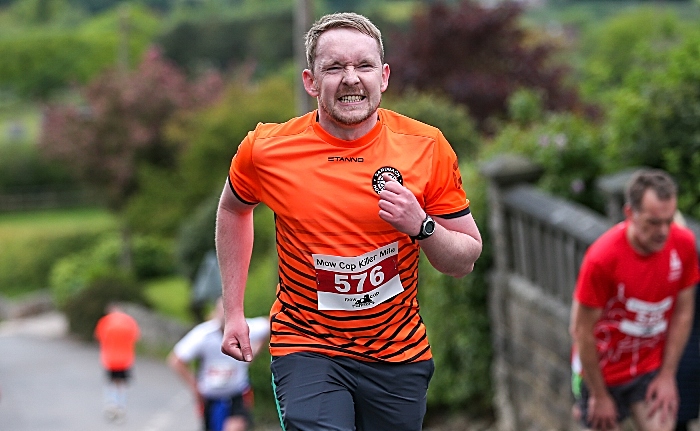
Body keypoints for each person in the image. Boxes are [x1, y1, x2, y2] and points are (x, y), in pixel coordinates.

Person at [215, 11, 483, 431]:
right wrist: (233, 310)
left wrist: (421, 225)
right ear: (310, 81)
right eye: (334, 67)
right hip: (306, 346)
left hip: (398, 353)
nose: (351, 78)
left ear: (385, 75)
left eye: (364, 65)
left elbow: (463, 260)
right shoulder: (267, 150)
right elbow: (234, 208)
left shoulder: (426, 148)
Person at [570, 168, 699, 431]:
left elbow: (684, 313)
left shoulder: (684, 244)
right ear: (630, 213)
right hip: (602, 373)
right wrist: (599, 394)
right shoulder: (602, 259)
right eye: (653, 222)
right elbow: (581, 331)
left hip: (649, 369)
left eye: (669, 220)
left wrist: (667, 375)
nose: (663, 232)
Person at [168, 298, 269, 431]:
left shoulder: (247, 328)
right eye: (223, 313)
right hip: (211, 397)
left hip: (237, 393)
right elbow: (176, 360)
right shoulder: (203, 334)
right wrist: (195, 387)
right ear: (216, 313)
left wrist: (252, 353)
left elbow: (272, 323)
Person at [94, 304, 141, 422]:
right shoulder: (129, 321)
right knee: (122, 383)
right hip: (125, 358)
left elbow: (99, 336)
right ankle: (121, 406)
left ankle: (111, 404)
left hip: (110, 358)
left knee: (111, 382)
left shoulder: (105, 321)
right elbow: (136, 336)